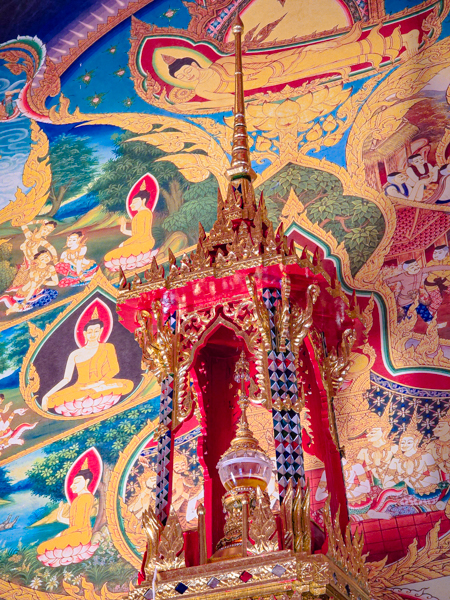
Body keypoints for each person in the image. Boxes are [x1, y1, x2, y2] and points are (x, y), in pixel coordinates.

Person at [157, 22, 418, 110]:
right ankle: (389, 48)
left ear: (194, 62)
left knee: (322, 55)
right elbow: (229, 102)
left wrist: (278, 60)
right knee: (328, 65)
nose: (187, 75)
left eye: (187, 69)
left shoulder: (221, 63)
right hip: (272, 82)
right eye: (182, 76)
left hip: (275, 67)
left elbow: (255, 60)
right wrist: (188, 105)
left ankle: (397, 39)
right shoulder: (203, 90)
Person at [41, 317, 134, 416]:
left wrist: (98, 383)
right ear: (85, 334)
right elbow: (66, 379)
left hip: (103, 384)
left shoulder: (108, 347)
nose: (93, 335)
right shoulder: (75, 354)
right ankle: (90, 396)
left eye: (96, 331)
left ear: (101, 331)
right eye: (90, 332)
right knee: (52, 400)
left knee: (127, 385)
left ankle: (90, 395)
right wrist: (46, 395)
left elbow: (114, 369)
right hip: (81, 388)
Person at [37, 463, 98, 567]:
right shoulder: (78, 499)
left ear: (86, 482)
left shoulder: (85, 498)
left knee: (42, 548)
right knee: (43, 548)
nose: (72, 485)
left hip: (81, 535)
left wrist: (62, 533)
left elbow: (79, 526)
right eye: (73, 482)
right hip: (76, 533)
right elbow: (74, 522)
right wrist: (60, 516)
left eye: (76, 482)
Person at [383, 414, 440, 496]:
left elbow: (436, 479)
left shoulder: (425, 456)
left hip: (425, 492)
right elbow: (386, 484)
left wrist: (418, 477)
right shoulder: (396, 460)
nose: (405, 445)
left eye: (409, 442)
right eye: (402, 442)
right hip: (405, 494)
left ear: (416, 442)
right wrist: (400, 478)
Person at [104, 186, 157, 272]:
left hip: (144, 242)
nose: (131, 204)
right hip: (139, 242)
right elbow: (136, 233)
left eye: (135, 202)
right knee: (110, 256)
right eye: (131, 202)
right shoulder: (140, 214)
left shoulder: (143, 214)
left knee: (110, 256)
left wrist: (125, 243)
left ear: (143, 201)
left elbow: (141, 234)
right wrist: (123, 228)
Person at [384, 258, 450, 323]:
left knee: (412, 314)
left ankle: (431, 324)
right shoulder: (402, 276)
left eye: (416, 265)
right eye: (412, 267)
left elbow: (433, 268)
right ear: (406, 269)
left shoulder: (420, 271)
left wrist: (448, 267)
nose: (415, 268)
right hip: (404, 300)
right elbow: (388, 280)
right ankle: (431, 324)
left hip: (414, 299)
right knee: (417, 311)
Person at [0, 250, 59, 314]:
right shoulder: (34, 271)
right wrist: (24, 302)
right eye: (42, 259)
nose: (46, 259)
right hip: (26, 293)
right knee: (41, 300)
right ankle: (11, 309)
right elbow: (32, 288)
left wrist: (43, 282)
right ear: (38, 260)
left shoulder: (50, 267)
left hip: (35, 290)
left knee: (51, 294)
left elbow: (55, 282)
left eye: (47, 256)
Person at [9, 220, 58, 292]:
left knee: (30, 281)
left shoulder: (42, 241)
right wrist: (39, 221)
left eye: (49, 231)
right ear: (42, 226)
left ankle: (29, 292)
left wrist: (56, 260)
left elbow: (52, 249)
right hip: (26, 261)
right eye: (45, 229)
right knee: (21, 277)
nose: (46, 232)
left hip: (35, 262)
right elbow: (23, 224)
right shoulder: (29, 235)